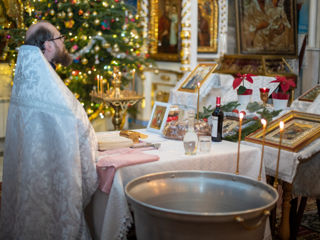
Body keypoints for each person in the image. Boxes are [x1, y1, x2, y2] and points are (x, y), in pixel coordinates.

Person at [0, 21, 98, 239]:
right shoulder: (51, 91)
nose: (63, 41)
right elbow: (79, 131)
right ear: (49, 46)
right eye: (59, 37)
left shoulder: (27, 81)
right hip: (53, 192)